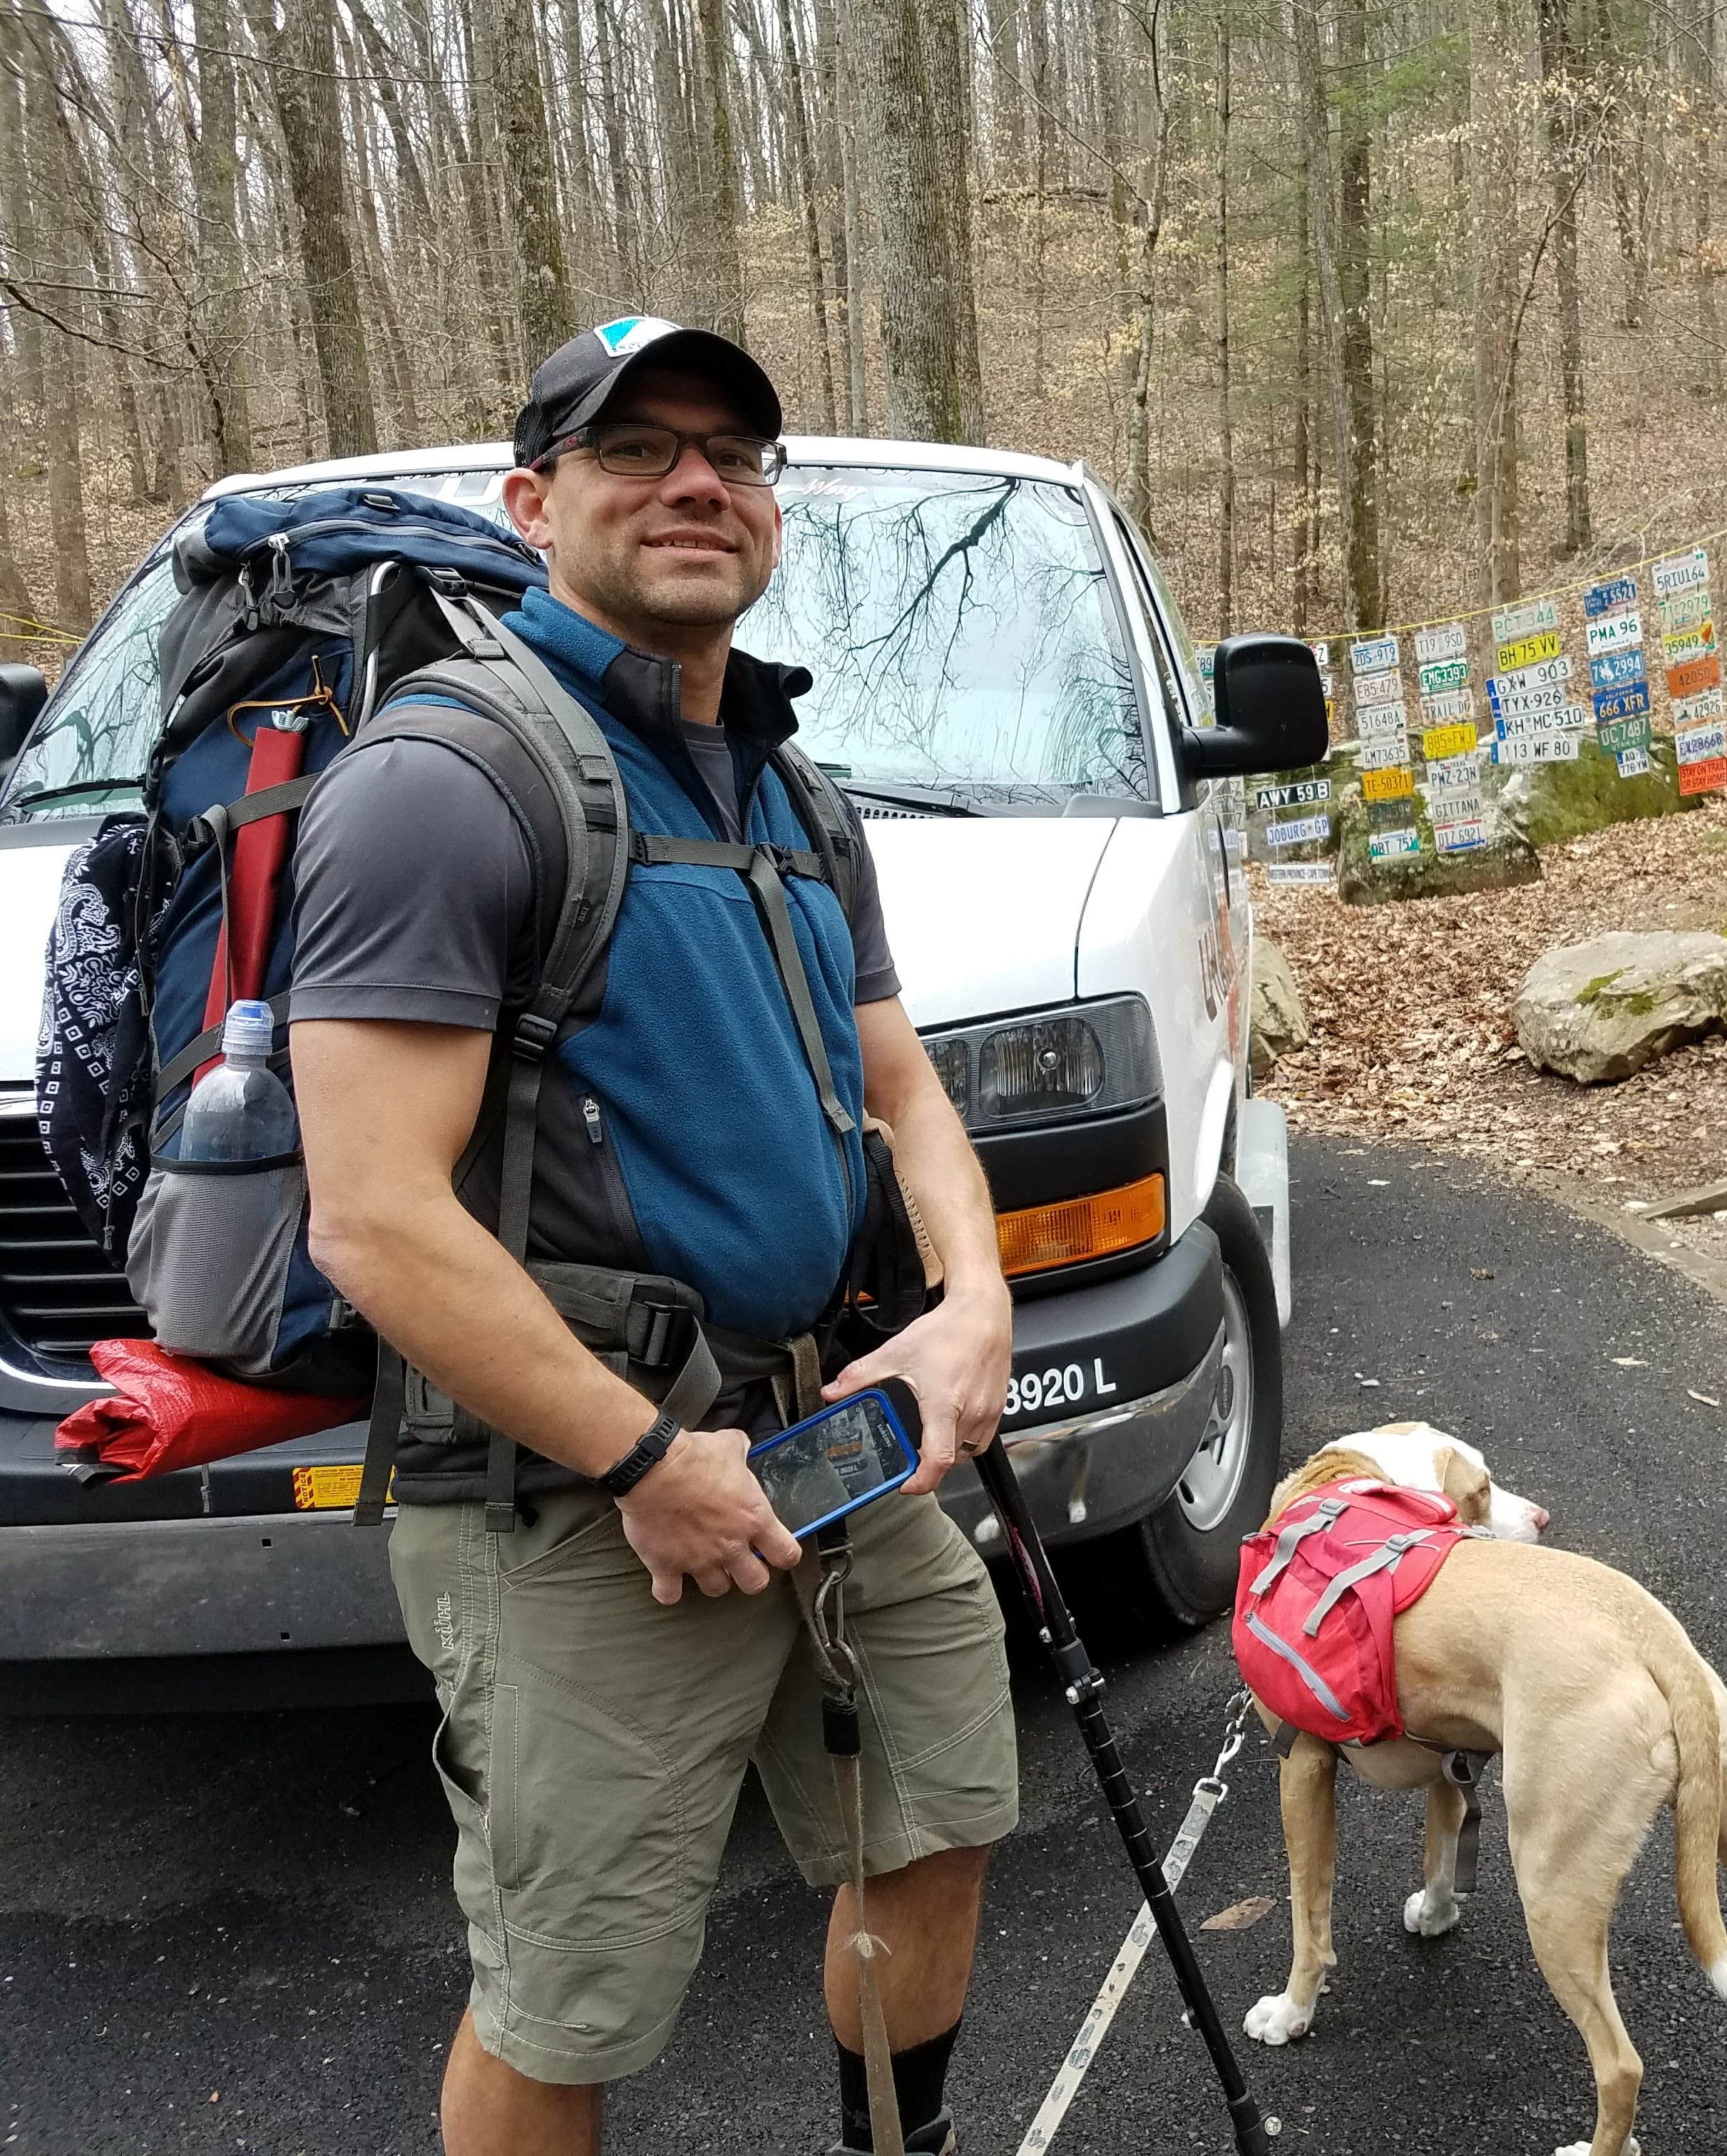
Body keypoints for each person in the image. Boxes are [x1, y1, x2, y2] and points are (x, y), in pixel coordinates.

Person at [290, 317, 1019, 2156]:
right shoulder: (443, 782)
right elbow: (372, 1216)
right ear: (533, 503)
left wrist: (973, 1304)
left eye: (733, 455)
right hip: (579, 1496)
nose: (698, 484)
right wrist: (642, 1456)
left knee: (934, 1829)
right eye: (636, 449)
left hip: (834, 1445)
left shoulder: (785, 788)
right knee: (571, 1989)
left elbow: (902, 1088)